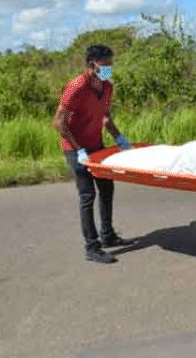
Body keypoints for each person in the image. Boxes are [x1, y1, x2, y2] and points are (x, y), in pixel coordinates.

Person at [53, 45, 134, 264]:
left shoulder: (107, 87)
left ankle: (108, 236)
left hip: (97, 145)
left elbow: (105, 117)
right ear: (92, 65)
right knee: (87, 195)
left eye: (111, 64)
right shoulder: (77, 87)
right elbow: (58, 122)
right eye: (105, 64)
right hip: (75, 148)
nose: (109, 68)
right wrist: (78, 149)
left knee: (107, 188)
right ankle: (92, 246)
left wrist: (119, 138)